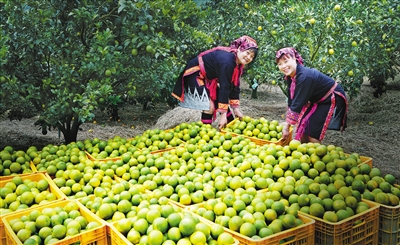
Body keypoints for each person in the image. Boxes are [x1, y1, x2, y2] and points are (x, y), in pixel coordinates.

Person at [171, 35, 258, 130]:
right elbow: (225, 87)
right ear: (240, 49)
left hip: (208, 77)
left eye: (252, 56)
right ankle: (205, 135)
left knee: (221, 102)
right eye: (247, 53)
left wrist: (236, 109)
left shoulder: (237, 64)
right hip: (195, 73)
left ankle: (232, 131)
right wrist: (223, 115)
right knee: (209, 106)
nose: (248, 57)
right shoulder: (228, 62)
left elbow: (234, 86)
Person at [275, 47, 348, 143]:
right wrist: (288, 120)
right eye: (280, 64)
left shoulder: (304, 77)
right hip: (318, 99)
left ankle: (317, 155)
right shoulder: (291, 76)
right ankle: (305, 153)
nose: (283, 66)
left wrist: (286, 126)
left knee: (312, 132)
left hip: (330, 97)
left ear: (294, 59)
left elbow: (298, 103)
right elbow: (292, 100)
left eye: (286, 61)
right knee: (304, 128)